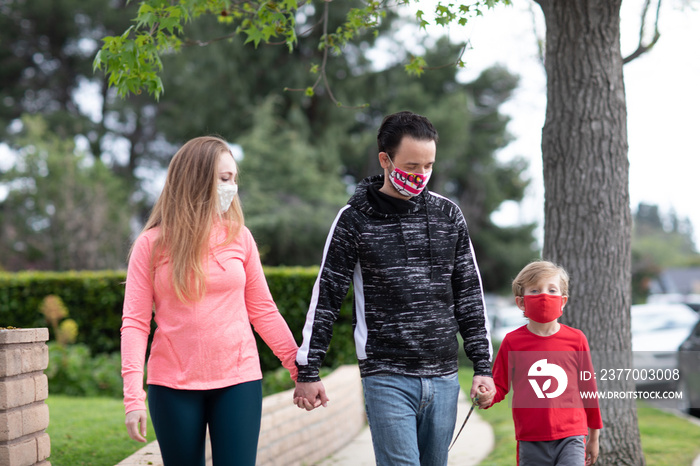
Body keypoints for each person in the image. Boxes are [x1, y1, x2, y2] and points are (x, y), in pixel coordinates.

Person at [293, 111, 495, 465]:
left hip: (445, 376)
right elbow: (326, 296)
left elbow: (469, 295)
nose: (421, 176)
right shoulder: (353, 219)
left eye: (428, 165)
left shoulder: (449, 216)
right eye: (412, 165)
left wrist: (482, 366)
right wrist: (309, 371)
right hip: (386, 376)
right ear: (385, 160)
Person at [120, 136, 299, 466]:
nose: (231, 188)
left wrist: (300, 370)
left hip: (238, 380)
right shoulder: (152, 244)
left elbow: (263, 310)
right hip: (172, 385)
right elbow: (134, 323)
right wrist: (133, 398)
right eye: (224, 179)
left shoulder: (240, 236)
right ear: (195, 179)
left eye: (233, 179)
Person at [485, 260, 603, 465]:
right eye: (534, 290)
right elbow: (499, 385)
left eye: (552, 290)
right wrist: (486, 396)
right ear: (521, 302)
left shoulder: (577, 339)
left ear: (563, 300)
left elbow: (589, 389)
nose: (544, 295)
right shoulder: (512, 342)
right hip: (530, 438)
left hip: (572, 435)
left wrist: (594, 437)